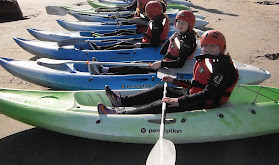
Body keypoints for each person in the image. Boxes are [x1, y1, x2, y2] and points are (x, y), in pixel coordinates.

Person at [97, 30, 239, 114]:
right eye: (205, 46)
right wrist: (174, 81)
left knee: (164, 103)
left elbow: (208, 93)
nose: (207, 49)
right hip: (194, 95)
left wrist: (179, 101)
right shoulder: (209, 60)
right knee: (160, 88)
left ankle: (120, 113)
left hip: (204, 103)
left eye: (212, 47)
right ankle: (122, 101)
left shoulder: (223, 67)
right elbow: (196, 83)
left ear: (222, 48)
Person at [96, 10, 198, 75]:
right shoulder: (179, 35)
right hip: (167, 63)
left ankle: (107, 73)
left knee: (136, 67)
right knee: (136, 64)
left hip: (173, 69)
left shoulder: (188, 41)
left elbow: (180, 63)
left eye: (183, 23)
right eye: (178, 22)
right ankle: (107, 70)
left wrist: (161, 64)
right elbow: (162, 52)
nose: (179, 25)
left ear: (190, 25)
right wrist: (170, 39)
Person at [89, 1, 170, 51]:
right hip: (145, 41)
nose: (146, 13)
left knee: (120, 45)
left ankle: (100, 49)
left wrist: (141, 45)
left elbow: (155, 43)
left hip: (148, 46)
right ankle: (100, 48)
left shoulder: (156, 24)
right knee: (123, 42)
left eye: (147, 11)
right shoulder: (158, 20)